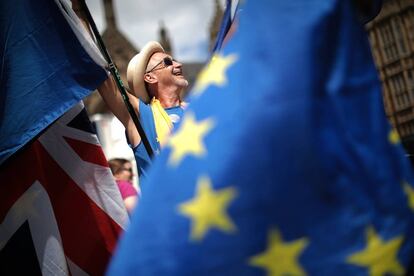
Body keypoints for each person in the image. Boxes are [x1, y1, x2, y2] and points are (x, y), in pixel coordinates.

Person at [71, 0, 189, 179]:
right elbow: (100, 75)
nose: (178, 64)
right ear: (150, 77)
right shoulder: (141, 116)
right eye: (167, 62)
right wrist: (80, 11)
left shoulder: (199, 109)